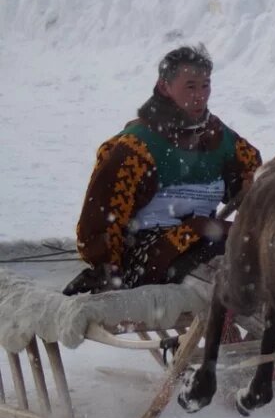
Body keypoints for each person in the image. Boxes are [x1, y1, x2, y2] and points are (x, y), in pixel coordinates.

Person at [65, 45, 262, 295]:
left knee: (255, 249)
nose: (201, 95)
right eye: (190, 86)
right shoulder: (135, 148)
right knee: (226, 257)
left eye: (205, 85)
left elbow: (252, 174)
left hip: (206, 241)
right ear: (164, 87)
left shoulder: (218, 136)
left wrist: (250, 186)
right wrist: (107, 269)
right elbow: (100, 221)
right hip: (148, 255)